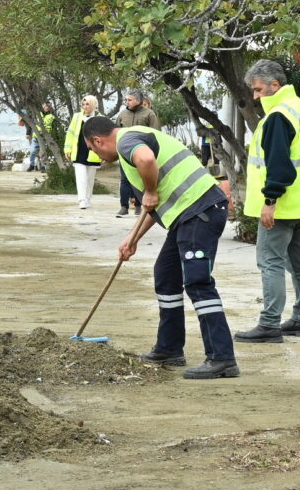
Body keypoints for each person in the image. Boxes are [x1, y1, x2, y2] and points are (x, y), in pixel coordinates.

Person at [82, 113, 238, 379]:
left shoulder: (127, 143)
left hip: (200, 210)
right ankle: (169, 349)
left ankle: (222, 358)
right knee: (166, 276)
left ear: (97, 140)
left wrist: (151, 191)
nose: (96, 156)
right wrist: (132, 239)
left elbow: (147, 162)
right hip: (185, 216)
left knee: (198, 282)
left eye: (91, 150)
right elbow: (152, 208)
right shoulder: (131, 145)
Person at [237, 61, 300, 343]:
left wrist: (270, 200)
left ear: (275, 85)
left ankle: (269, 324)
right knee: (299, 263)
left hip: (282, 205)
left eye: (259, 90)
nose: (256, 97)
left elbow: (279, 165)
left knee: (270, 262)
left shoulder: (278, 117)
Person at [113, 90, 154, 217]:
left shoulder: (149, 114)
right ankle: (123, 207)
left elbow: (155, 134)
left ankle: (138, 207)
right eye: (126, 100)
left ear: (138, 100)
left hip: (141, 154)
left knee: (138, 180)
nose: (127, 102)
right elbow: (115, 132)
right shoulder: (123, 114)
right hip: (124, 153)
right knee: (124, 180)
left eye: (129, 100)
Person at [63, 95, 101, 213]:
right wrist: (67, 149)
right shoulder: (77, 117)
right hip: (79, 151)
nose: (85, 107)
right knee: (81, 176)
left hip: (93, 152)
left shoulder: (100, 118)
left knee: (90, 177)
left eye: (87, 104)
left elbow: (104, 137)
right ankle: (82, 199)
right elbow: (70, 133)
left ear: (94, 105)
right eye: (83, 104)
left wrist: (104, 153)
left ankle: (88, 198)